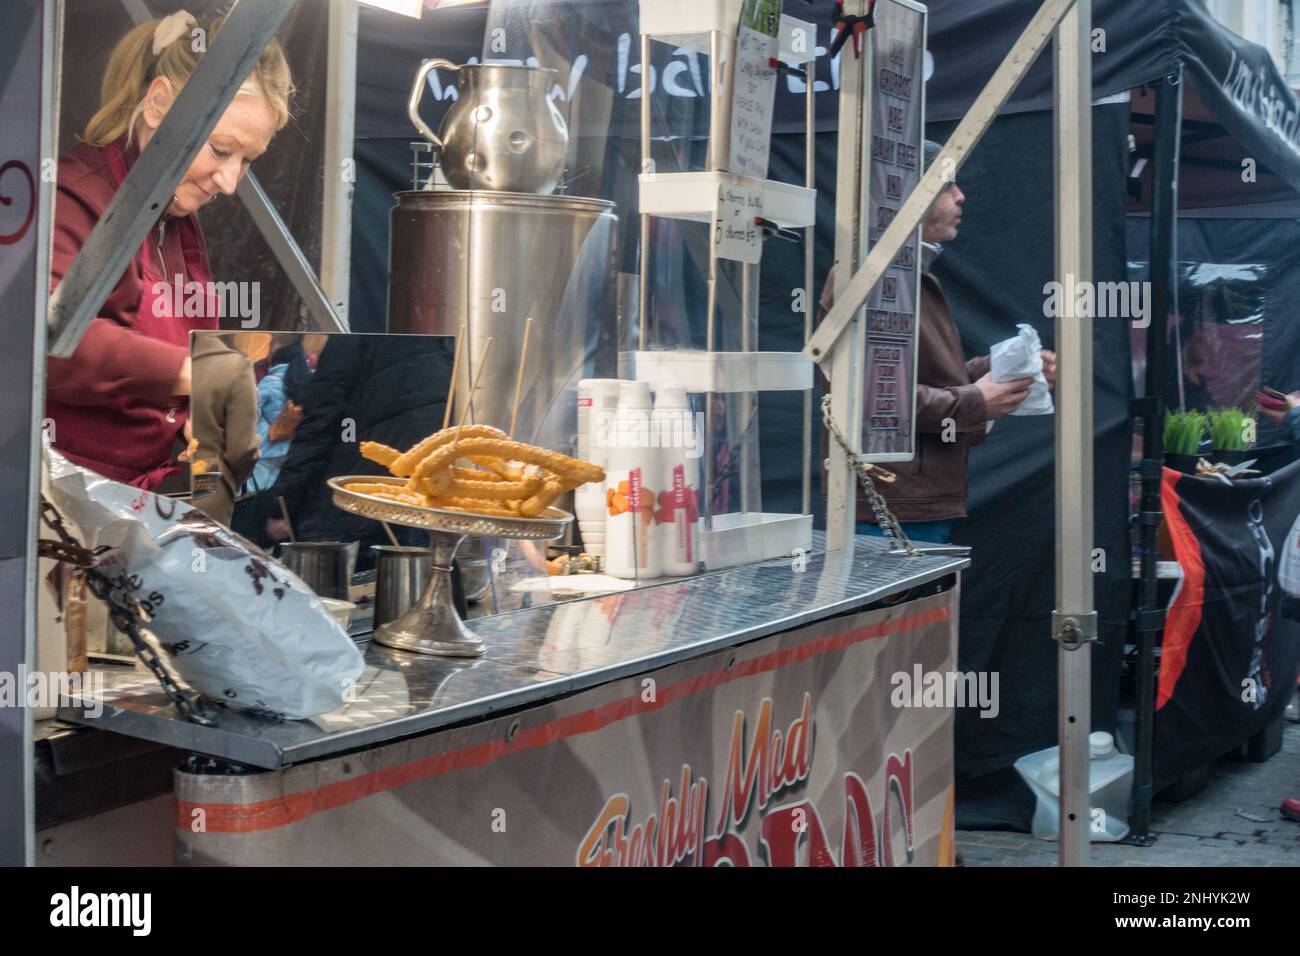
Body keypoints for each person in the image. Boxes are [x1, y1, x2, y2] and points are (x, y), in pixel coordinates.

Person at [46, 12, 294, 488]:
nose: (229, 182)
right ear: (159, 103)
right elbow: (44, 344)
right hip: (56, 515)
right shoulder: (69, 199)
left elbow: (191, 345)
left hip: (142, 511)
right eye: (221, 150)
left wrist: (200, 416)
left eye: (247, 161)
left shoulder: (175, 224)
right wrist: (193, 374)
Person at [821, 140, 1057, 545]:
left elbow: (909, 385)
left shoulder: (906, 275)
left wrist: (995, 372)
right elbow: (873, 400)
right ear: (911, 194)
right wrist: (977, 400)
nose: (961, 195)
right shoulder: (875, 279)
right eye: (948, 184)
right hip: (890, 504)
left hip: (908, 499)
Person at [187, 335, 260, 525]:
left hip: (153, 492)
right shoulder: (235, 367)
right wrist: (233, 479)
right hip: (208, 488)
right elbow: (242, 450)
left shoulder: (154, 356)